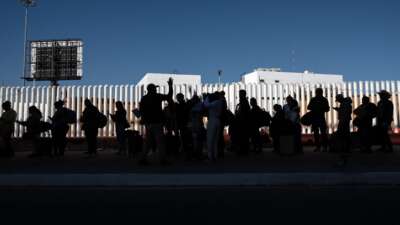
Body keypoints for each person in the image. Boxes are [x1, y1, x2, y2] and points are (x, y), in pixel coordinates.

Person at [138, 78, 173, 165]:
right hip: (157, 122)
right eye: (155, 88)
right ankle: (162, 160)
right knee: (160, 142)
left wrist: (144, 120)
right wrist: (170, 86)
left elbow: (141, 111)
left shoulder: (144, 98)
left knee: (147, 142)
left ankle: (143, 159)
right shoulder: (157, 96)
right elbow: (169, 96)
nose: (156, 89)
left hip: (148, 123)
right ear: (152, 89)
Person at [307, 88, 330, 152]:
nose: (318, 93)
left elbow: (308, 107)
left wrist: (316, 108)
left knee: (319, 133)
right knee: (321, 133)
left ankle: (320, 147)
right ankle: (322, 147)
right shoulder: (323, 99)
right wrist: (320, 108)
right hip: (319, 118)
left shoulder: (314, 99)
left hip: (316, 118)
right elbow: (327, 109)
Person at [204, 92, 224, 162]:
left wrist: (207, 98)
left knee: (210, 139)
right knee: (215, 140)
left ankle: (210, 157)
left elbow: (206, 105)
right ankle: (215, 156)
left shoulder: (215, 102)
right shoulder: (220, 102)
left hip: (212, 120)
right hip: (218, 120)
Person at [232, 89, 251, 155]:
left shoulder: (244, 102)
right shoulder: (243, 102)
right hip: (243, 122)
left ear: (243, 94)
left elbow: (243, 112)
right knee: (243, 137)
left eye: (240, 94)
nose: (239, 95)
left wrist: (237, 114)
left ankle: (243, 150)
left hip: (242, 122)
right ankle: (243, 150)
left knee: (243, 137)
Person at [188, 94, 206, 160]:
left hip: (194, 125)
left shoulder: (192, 107)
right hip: (198, 125)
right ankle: (198, 154)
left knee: (195, 140)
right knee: (198, 140)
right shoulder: (200, 106)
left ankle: (196, 154)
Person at [175, 93, 191, 158]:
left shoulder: (181, 105)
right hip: (183, 123)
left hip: (183, 124)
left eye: (179, 97)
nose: (178, 99)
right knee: (184, 138)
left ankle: (186, 153)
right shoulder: (185, 104)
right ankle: (186, 152)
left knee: (184, 138)